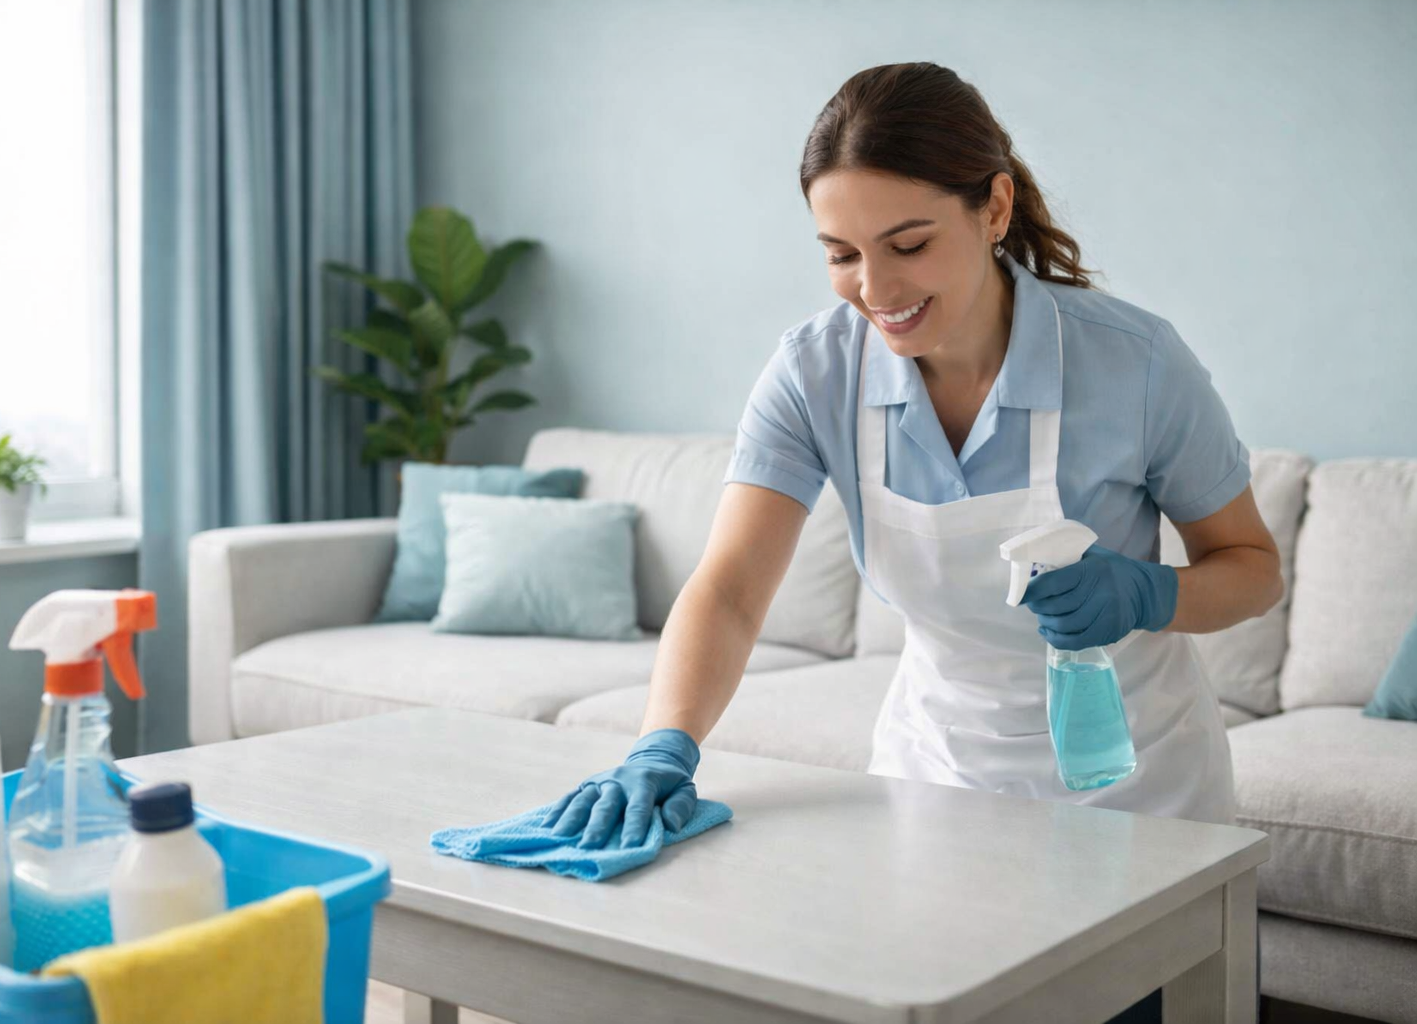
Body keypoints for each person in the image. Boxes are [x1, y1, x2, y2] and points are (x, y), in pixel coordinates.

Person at [543, 62, 1279, 1023]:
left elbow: (1254, 571)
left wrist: (1149, 593)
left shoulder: (1132, 363)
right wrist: (664, 744)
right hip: (940, 779)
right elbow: (728, 590)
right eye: (841, 254)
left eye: (908, 244)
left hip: (1141, 796)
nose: (875, 289)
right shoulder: (816, 374)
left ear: (994, 206)